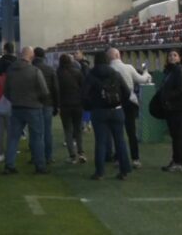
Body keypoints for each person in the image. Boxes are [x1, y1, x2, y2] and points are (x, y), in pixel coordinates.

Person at [85, 51, 133, 180]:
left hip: (99, 111)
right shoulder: (115, 74)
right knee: (120, 141)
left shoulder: (91, 75)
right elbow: (127, 92)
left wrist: (91, 106)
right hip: (116, 110)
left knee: (100, 142)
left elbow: (84, 95)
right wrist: (119, 103)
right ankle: (124, 171)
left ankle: (100, 172)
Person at [2, 45, 49, 175]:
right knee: (37, 137)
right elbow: (44, 91)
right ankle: (40, 166)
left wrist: (15, 100)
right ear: (31, 56)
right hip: (33, 107)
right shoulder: (35, 71)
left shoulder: (11, 71)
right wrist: (37, 100)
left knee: (13, 138)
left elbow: (6, 91)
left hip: (16, 107)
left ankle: (9, 165)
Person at [109, 47, 153, 169]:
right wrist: (146, 72)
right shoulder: (128, 67)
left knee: (117, 132)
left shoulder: (109, 69)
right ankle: (135, 159)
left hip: (115, 103)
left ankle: (118, 158)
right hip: (129, 102)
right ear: (119, 55)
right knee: (131, 132)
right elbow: (142, 80)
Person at [160, 49, 182, 172]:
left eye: (175, 55)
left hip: (178, 108)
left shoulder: (179, 70)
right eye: (170, 55)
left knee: (178, 136)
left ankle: (178, 162)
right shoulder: (169, 71)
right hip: (172, 108)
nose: (172, 57)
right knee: (176, 136)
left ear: (179, 58)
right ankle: (178, 160)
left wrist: (168, 96)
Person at [56, 53, 87, 164]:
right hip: (77, 104)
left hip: (65, 105)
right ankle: (81, 152)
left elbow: (57, 91)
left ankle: (72, 155)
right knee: (78, 130)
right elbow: (83, 88)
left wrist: (57, 105)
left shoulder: (58, 74)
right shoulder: (77, 72)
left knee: (68, 130)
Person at [0, 42, 17, 162]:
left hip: (0, 98)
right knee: (13, 127)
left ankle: (0, 152)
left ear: (4, 50)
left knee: (0, 127)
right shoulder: (17, 62)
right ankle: (12, 150)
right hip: (14, 99)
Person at [32, 47, 60, 166]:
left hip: (33, 104)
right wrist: (57, 106)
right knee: (47, 131)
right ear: (44, 57)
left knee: (35, 132)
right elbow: (55, 88)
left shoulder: (31, 69)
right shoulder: (50, 69)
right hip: (48, 103)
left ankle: (36, 156)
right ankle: (48, 156)